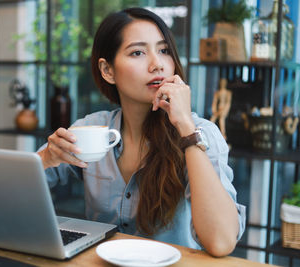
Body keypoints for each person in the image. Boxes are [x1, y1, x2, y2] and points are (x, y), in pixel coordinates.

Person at [38, 7, 245, 257]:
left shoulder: (201, 133)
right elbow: (9, 187)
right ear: (108, 71)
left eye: (164, 50)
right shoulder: (90, 130)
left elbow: (221, 242)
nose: (157, 64)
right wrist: (47, 158)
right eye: (137, 52)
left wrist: (186, 129)